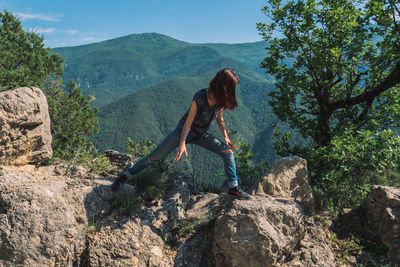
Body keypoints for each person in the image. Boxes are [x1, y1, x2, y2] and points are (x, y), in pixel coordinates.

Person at [111, 68, 250, 200]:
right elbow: (187, 123)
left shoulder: (221, 99)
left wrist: (225, 137)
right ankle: (126, 175)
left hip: (201, 135)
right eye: (232, 85)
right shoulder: (200, 97)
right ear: (223, 85)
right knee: (154, 157)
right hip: (183, 132)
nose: (233, 89)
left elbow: (220, 118)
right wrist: (182, 142)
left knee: (228, 152)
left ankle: (233, 187)